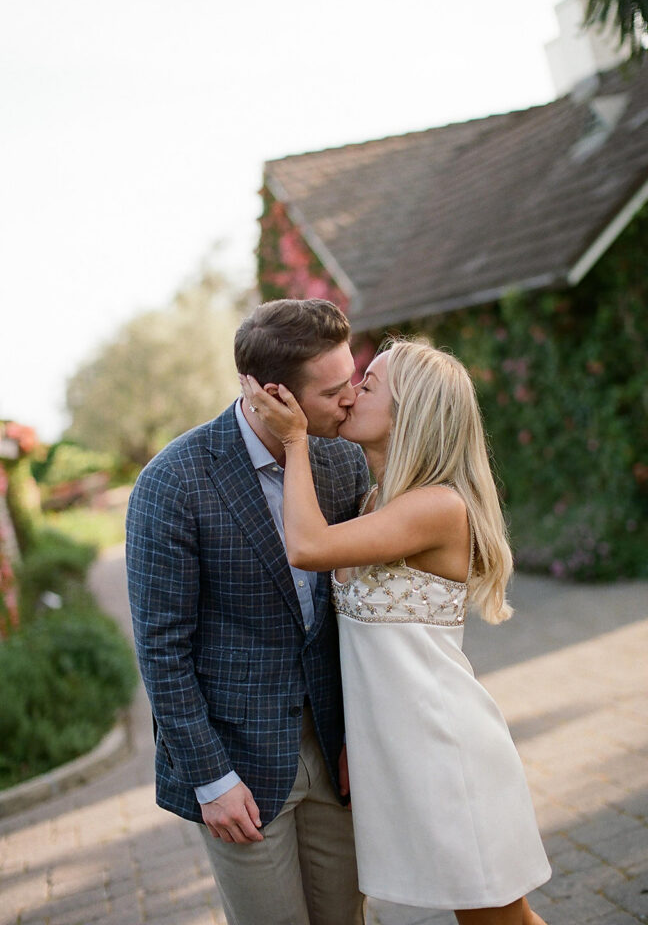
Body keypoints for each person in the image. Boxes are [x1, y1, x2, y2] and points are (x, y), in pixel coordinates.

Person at [241, 339, 552, 925]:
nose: (352, 391)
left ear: (410, 412)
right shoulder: (376, 501)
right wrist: (354, 742)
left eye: (370, 383)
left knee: (498, 920)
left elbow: (307, 547)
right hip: (401, 754)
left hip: (447, 748)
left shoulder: (437, 507)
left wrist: (295, 440)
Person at [126, 298, 370, 925]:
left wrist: (361, 735)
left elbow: (353, 615)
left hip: (336, 750)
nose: (351, 399)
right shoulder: (172, 483)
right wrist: (210, 779)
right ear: (274, 395)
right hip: (241, 767)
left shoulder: (342, 461)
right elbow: (162, 651)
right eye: (334, 390)